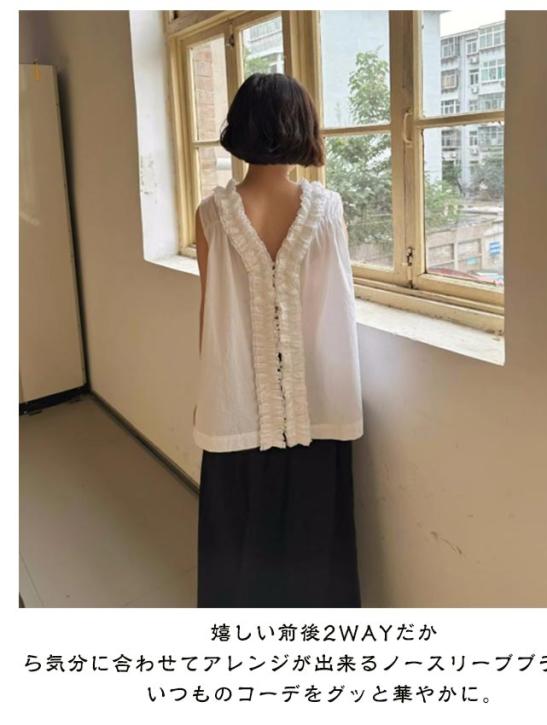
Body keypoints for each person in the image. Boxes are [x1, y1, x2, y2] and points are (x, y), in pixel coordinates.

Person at [193, 72, 364, 608]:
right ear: (303, 128)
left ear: (239, 127)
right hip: (320, 405)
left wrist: (208, 392)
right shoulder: (328, 209)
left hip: (235, 401)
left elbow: (209, 314)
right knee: (316, 544)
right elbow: (340, 307)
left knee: (237, 540)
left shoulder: (209, 214)